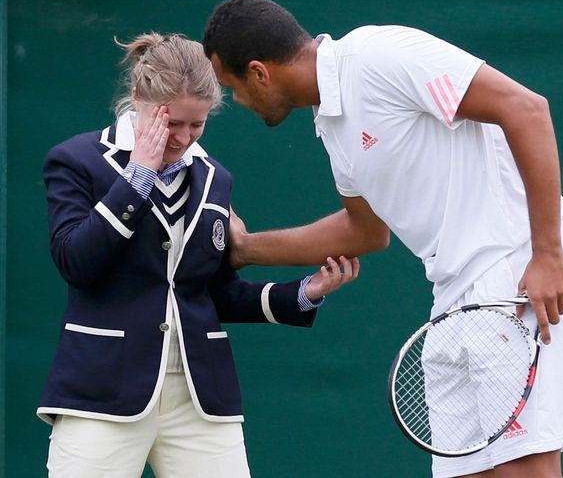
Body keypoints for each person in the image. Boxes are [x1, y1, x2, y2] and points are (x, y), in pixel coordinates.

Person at [202, 0, 563, 478]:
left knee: (526, 471)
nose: (238, 102)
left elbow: (526, 109)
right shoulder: (331, 124)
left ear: (259, 72)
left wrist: (546, 254)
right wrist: (245, 250)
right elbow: (365, 231)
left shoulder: (377, 57)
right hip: (455, 300)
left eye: (233, 88)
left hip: (518, 270)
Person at [37, 31, 360, 478]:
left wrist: (302, 292)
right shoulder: (76, 160)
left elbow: (211, 293)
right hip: (101, 392)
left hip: (201, 398)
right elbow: (76, 261)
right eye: (172, 123)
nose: (184, 137)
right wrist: (138, 179)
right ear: (137, 97)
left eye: (197, 124)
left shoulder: (215, 177)